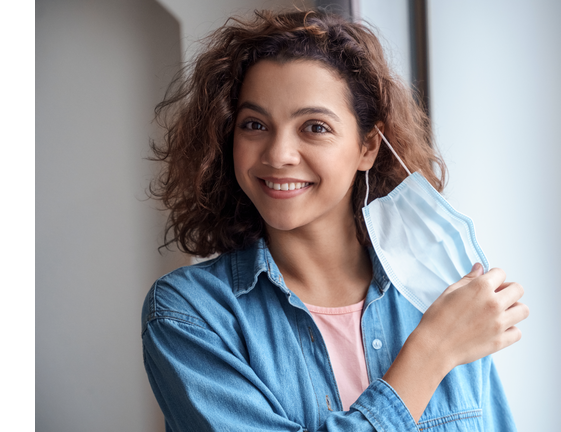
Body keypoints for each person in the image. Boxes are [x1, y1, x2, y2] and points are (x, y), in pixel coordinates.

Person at [142, 9, 529, 432]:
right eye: (254, 125)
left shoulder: (443, 289)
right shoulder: (189, 314)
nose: (278, 155)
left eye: (314, 127)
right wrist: (432, 352)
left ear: (367, 147)